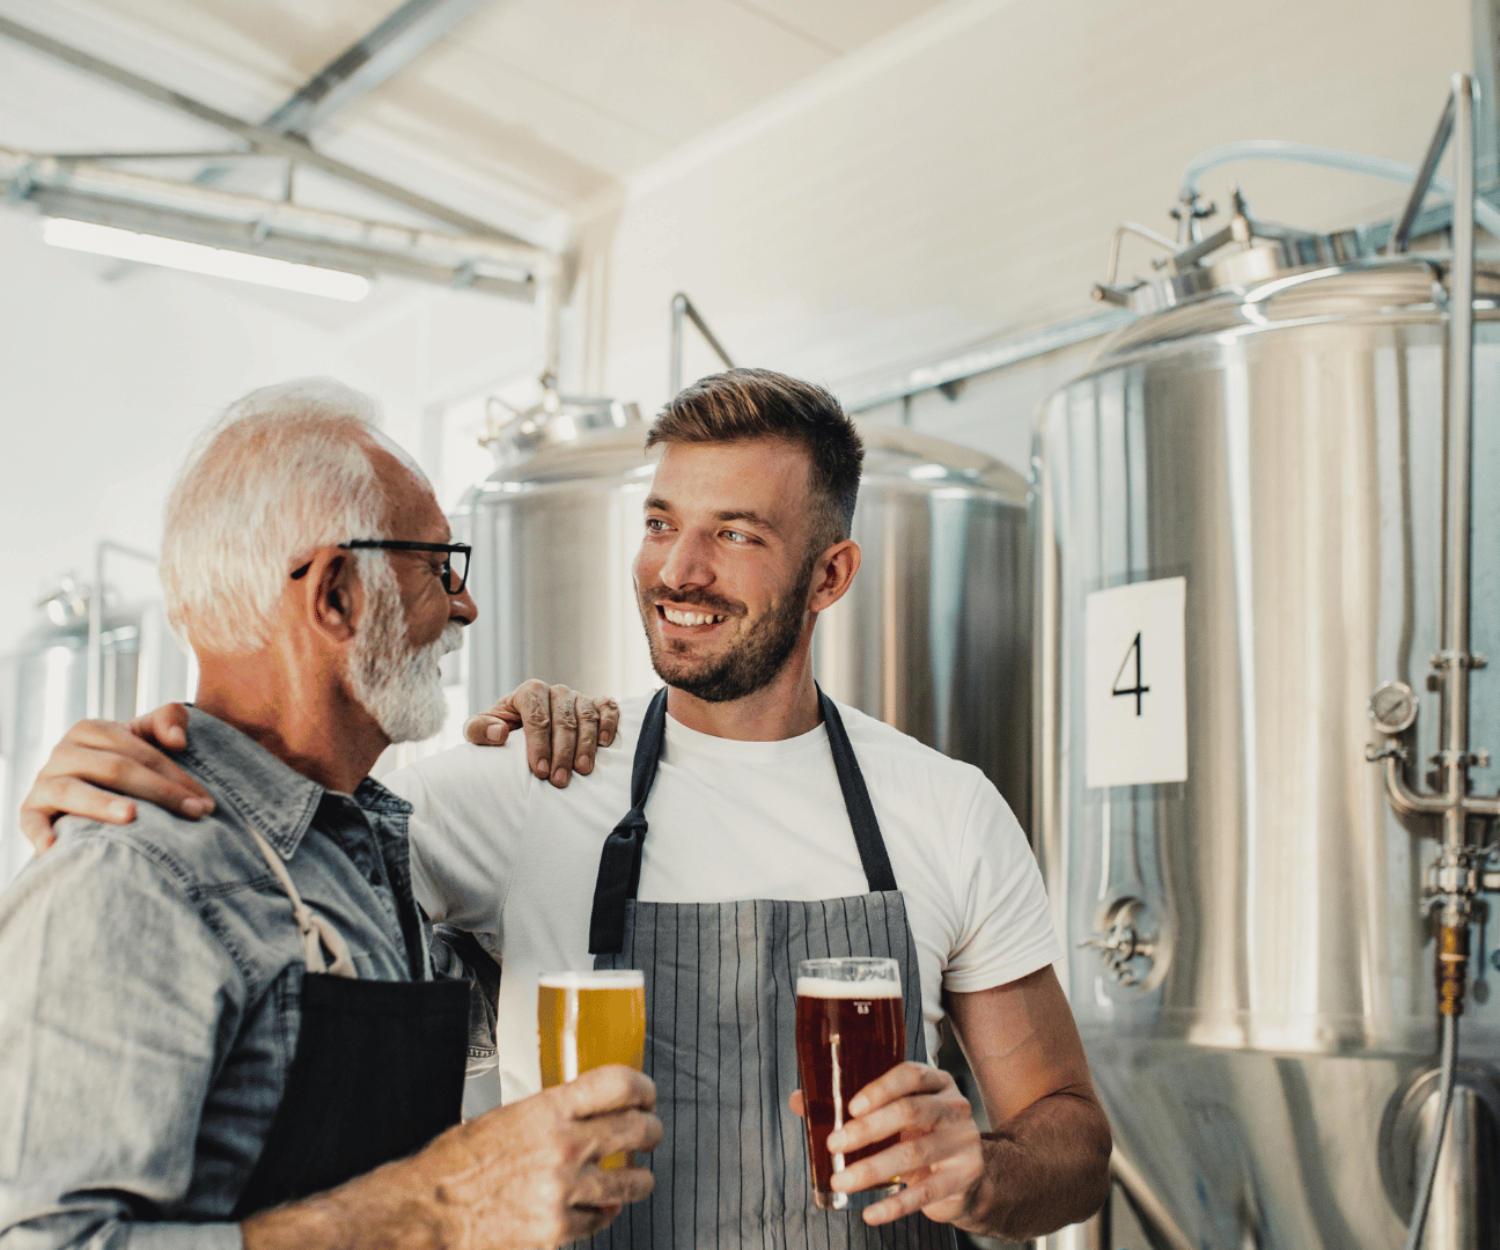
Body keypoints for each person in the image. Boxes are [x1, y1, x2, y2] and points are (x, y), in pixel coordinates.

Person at [24, 369, 1111, 1247]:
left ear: (830, 575)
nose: (678, 567)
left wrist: (984, 1174)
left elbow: (1070, 1139)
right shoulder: (516, 788)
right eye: (659, 519)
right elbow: (264, 834)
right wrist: (90, 779)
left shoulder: (948, 808)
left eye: (736, 532)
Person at [0, 380, 661, 1249]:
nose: (464, 606)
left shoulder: (355, 844)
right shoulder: (129, 875)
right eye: (439, 567)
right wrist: (441, 1209)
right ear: (338, 594)